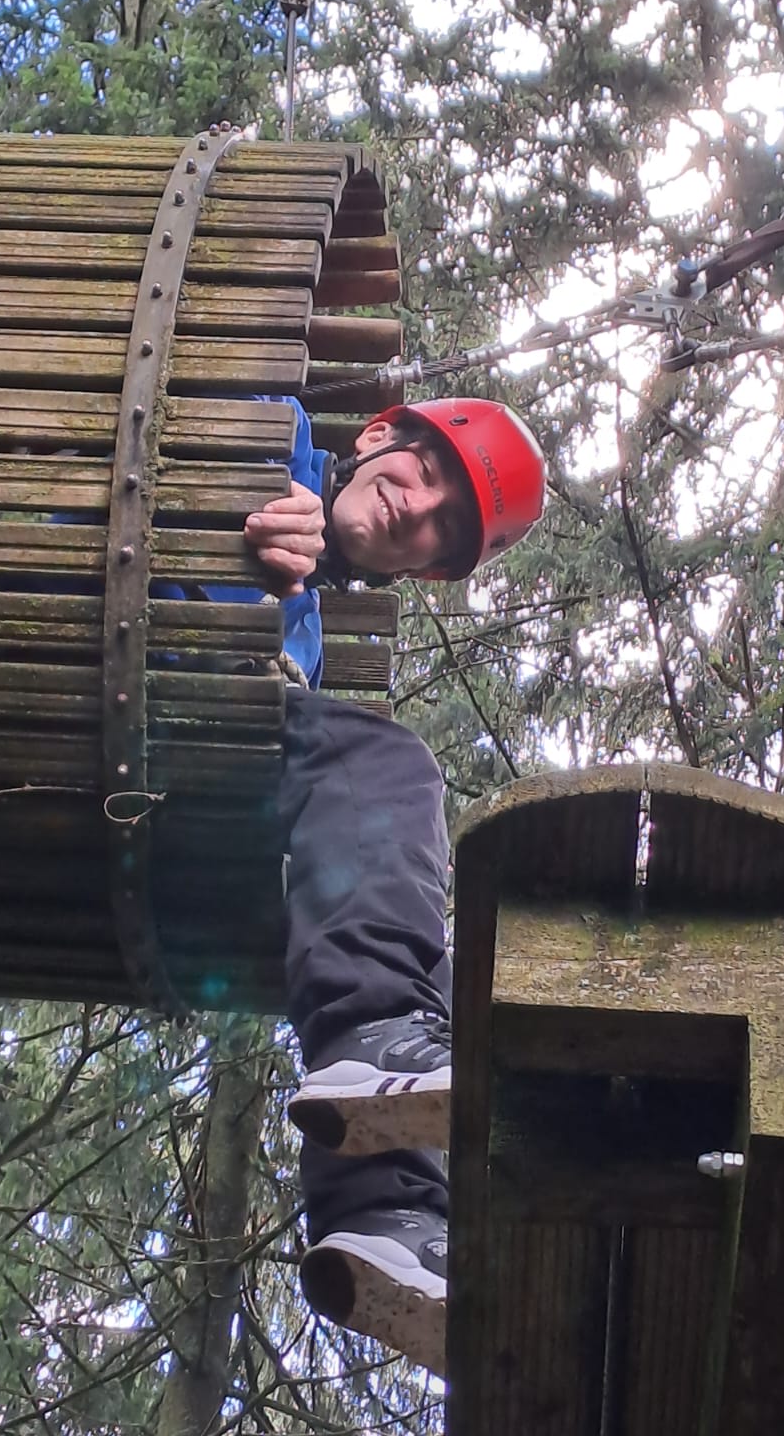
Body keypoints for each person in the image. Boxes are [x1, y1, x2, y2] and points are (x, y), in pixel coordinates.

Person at [230, 395, 545, 1377]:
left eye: (444, 528)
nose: (418, 508)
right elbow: (149, 435)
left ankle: (387, 1220)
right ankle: (378, 1045)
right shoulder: (272, 428)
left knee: (433, 983)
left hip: (180, 792)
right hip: (90, 662)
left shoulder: (308, 643)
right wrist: (228, 507)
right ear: (376, 437)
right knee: (386, 766)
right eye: (425, 472)